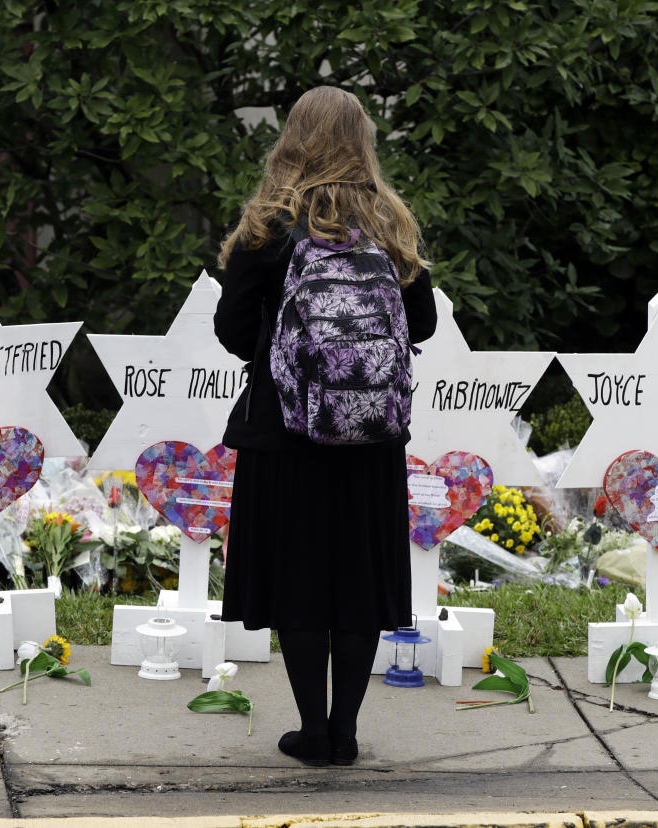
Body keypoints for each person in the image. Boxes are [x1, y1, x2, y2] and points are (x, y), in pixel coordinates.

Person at [213, 86, 437, 767]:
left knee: (301, 583)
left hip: (286, 436)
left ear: (292, 139)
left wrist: (284, 347)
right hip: (370, 439)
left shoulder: (269, 226)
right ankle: (346, 732)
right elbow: (422, 323)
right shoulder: (388, 221)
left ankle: (312, 733)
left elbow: (230, 331)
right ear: (361, 141)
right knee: (358, 585)